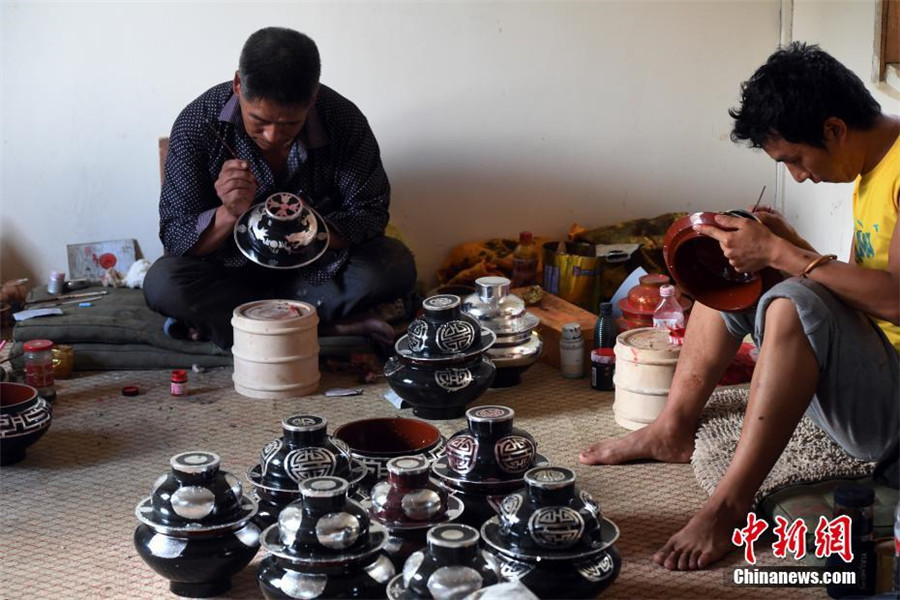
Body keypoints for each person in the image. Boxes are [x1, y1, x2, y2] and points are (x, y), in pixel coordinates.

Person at [579, 42, 900, 570]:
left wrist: (784, 253)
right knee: (738, 273)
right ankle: (673, 428)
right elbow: (865, 282)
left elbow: (894, 299)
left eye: (795, 159)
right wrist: (784, 247)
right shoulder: (872, 164)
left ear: (835, 129)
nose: (798, 176)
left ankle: (729, 505)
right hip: (877, 368)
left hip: (890, 418)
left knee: (792, 304)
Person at [143, 27, 416, 349]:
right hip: (229, 275)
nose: (273, 136)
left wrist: (305, 228)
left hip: (315, 273)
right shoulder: (197, 123)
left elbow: (370, 216)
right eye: (259, 120)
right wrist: (229, 213)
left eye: (289, 124)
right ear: (238, 85)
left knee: (393, 264)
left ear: (311, 99)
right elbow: (176, 236)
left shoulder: (344, 121)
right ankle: (323, 327)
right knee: (164, 284)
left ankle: (237, 328)